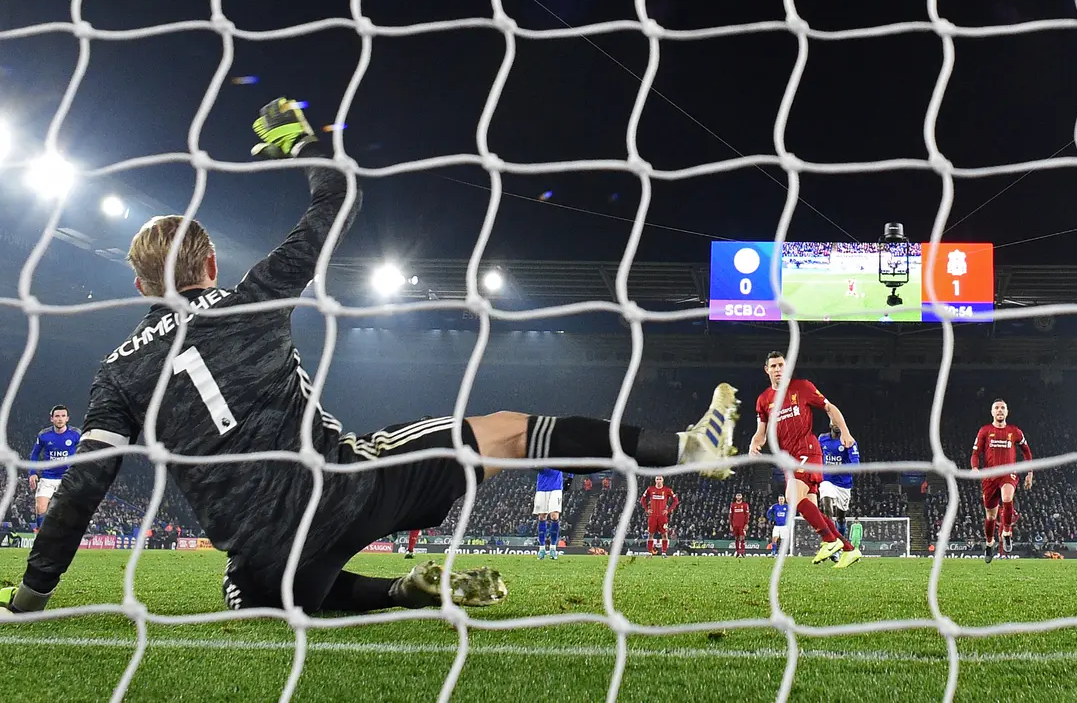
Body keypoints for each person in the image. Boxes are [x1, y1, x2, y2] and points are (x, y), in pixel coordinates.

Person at [0, 98, 740, 616]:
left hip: (263, 549)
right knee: (510, 431)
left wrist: (32, 592)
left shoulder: (117, 371)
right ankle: (681, 447)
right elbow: (337, 204)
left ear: (137, 286)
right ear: (213, 266)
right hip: (343, 489)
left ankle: (387, 596)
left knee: (257, 592)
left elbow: (84, 486)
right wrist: (302, 145)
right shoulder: (252, 296)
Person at [749, 351, 861, 568]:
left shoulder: (803, 387)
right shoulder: (764, 400)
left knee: (791, 497)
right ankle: (848, 549)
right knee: (810, 508)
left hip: (808, 450)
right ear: (767, 370)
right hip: (788, 459)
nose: (778, 369)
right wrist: (755, 442)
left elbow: (830, 407)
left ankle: (829, 540)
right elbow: (760, 431)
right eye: (773, 366)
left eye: (781, 365)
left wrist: (845, 432)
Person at [970, 399, 1034, 563]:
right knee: (990, 517)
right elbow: (975, 453)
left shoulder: (1015, 431)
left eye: (1003, 408)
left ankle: (1006, 533)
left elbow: (1026, 452)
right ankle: (989, 543)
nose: (1000, 410)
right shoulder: (985, 431)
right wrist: (975, 468)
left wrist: (1030, 472)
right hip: (990, 476)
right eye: (996, 408)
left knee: (1007, 498)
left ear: (1007, 412)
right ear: (992, 412)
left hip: (1008, 472)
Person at [27, 405, 80, 531]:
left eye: (63, 416)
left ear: (67, 418)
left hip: (68, 478)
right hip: (48, 477)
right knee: (40, 508)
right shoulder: (44, 435)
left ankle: (64, 539)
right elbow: (34, 454)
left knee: (68, 512)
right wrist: (32, 473)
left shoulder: (76, 434)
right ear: (52, 419)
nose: (60, 419)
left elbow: (84, 452)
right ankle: (42, 539)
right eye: (57, 416)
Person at [818, 420, 860, 560]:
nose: (836, 425)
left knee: (840, 517)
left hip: (844, 484)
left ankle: (841, 543)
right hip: (827, 480)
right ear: (830, 425)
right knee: (827, 506)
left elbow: (856, 464)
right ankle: (831, 544)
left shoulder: (849, 442)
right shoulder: (822, 439)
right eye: (834, 423)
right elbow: (816, 455)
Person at [639, 476, 679, 557]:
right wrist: (647, 509)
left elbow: (676, 501)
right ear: (655, 480)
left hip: (662, 516)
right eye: (657, 479)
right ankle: (650, 553)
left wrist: (668, 510)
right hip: (652, 516)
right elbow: (642, 499)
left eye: (660, 479)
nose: (658, 480)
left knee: (664, 534)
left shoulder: (667, 490)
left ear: (663, 480)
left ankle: (664, 553)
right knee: (650, 534)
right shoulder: (650, 489)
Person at [533, 468, 564, 560]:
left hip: (556, 487)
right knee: (542, 517)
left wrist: (570, 477)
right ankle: (542, 549)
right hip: (542, 487)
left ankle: (553, 548)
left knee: (554, 516)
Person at [729, 492, 750, 557]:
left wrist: (746, 524)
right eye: (737, 496)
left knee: (742, 538)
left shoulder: (745, 505)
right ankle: (738, 552)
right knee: (736, 538)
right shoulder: (733, 505)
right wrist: (730, 525)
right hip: (735, 525)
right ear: (736, 497)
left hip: (742, 525)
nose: (738, 497)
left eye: (739, 496)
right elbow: (730, 515)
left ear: (741, 497)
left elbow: (747, 515)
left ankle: (742, 552)